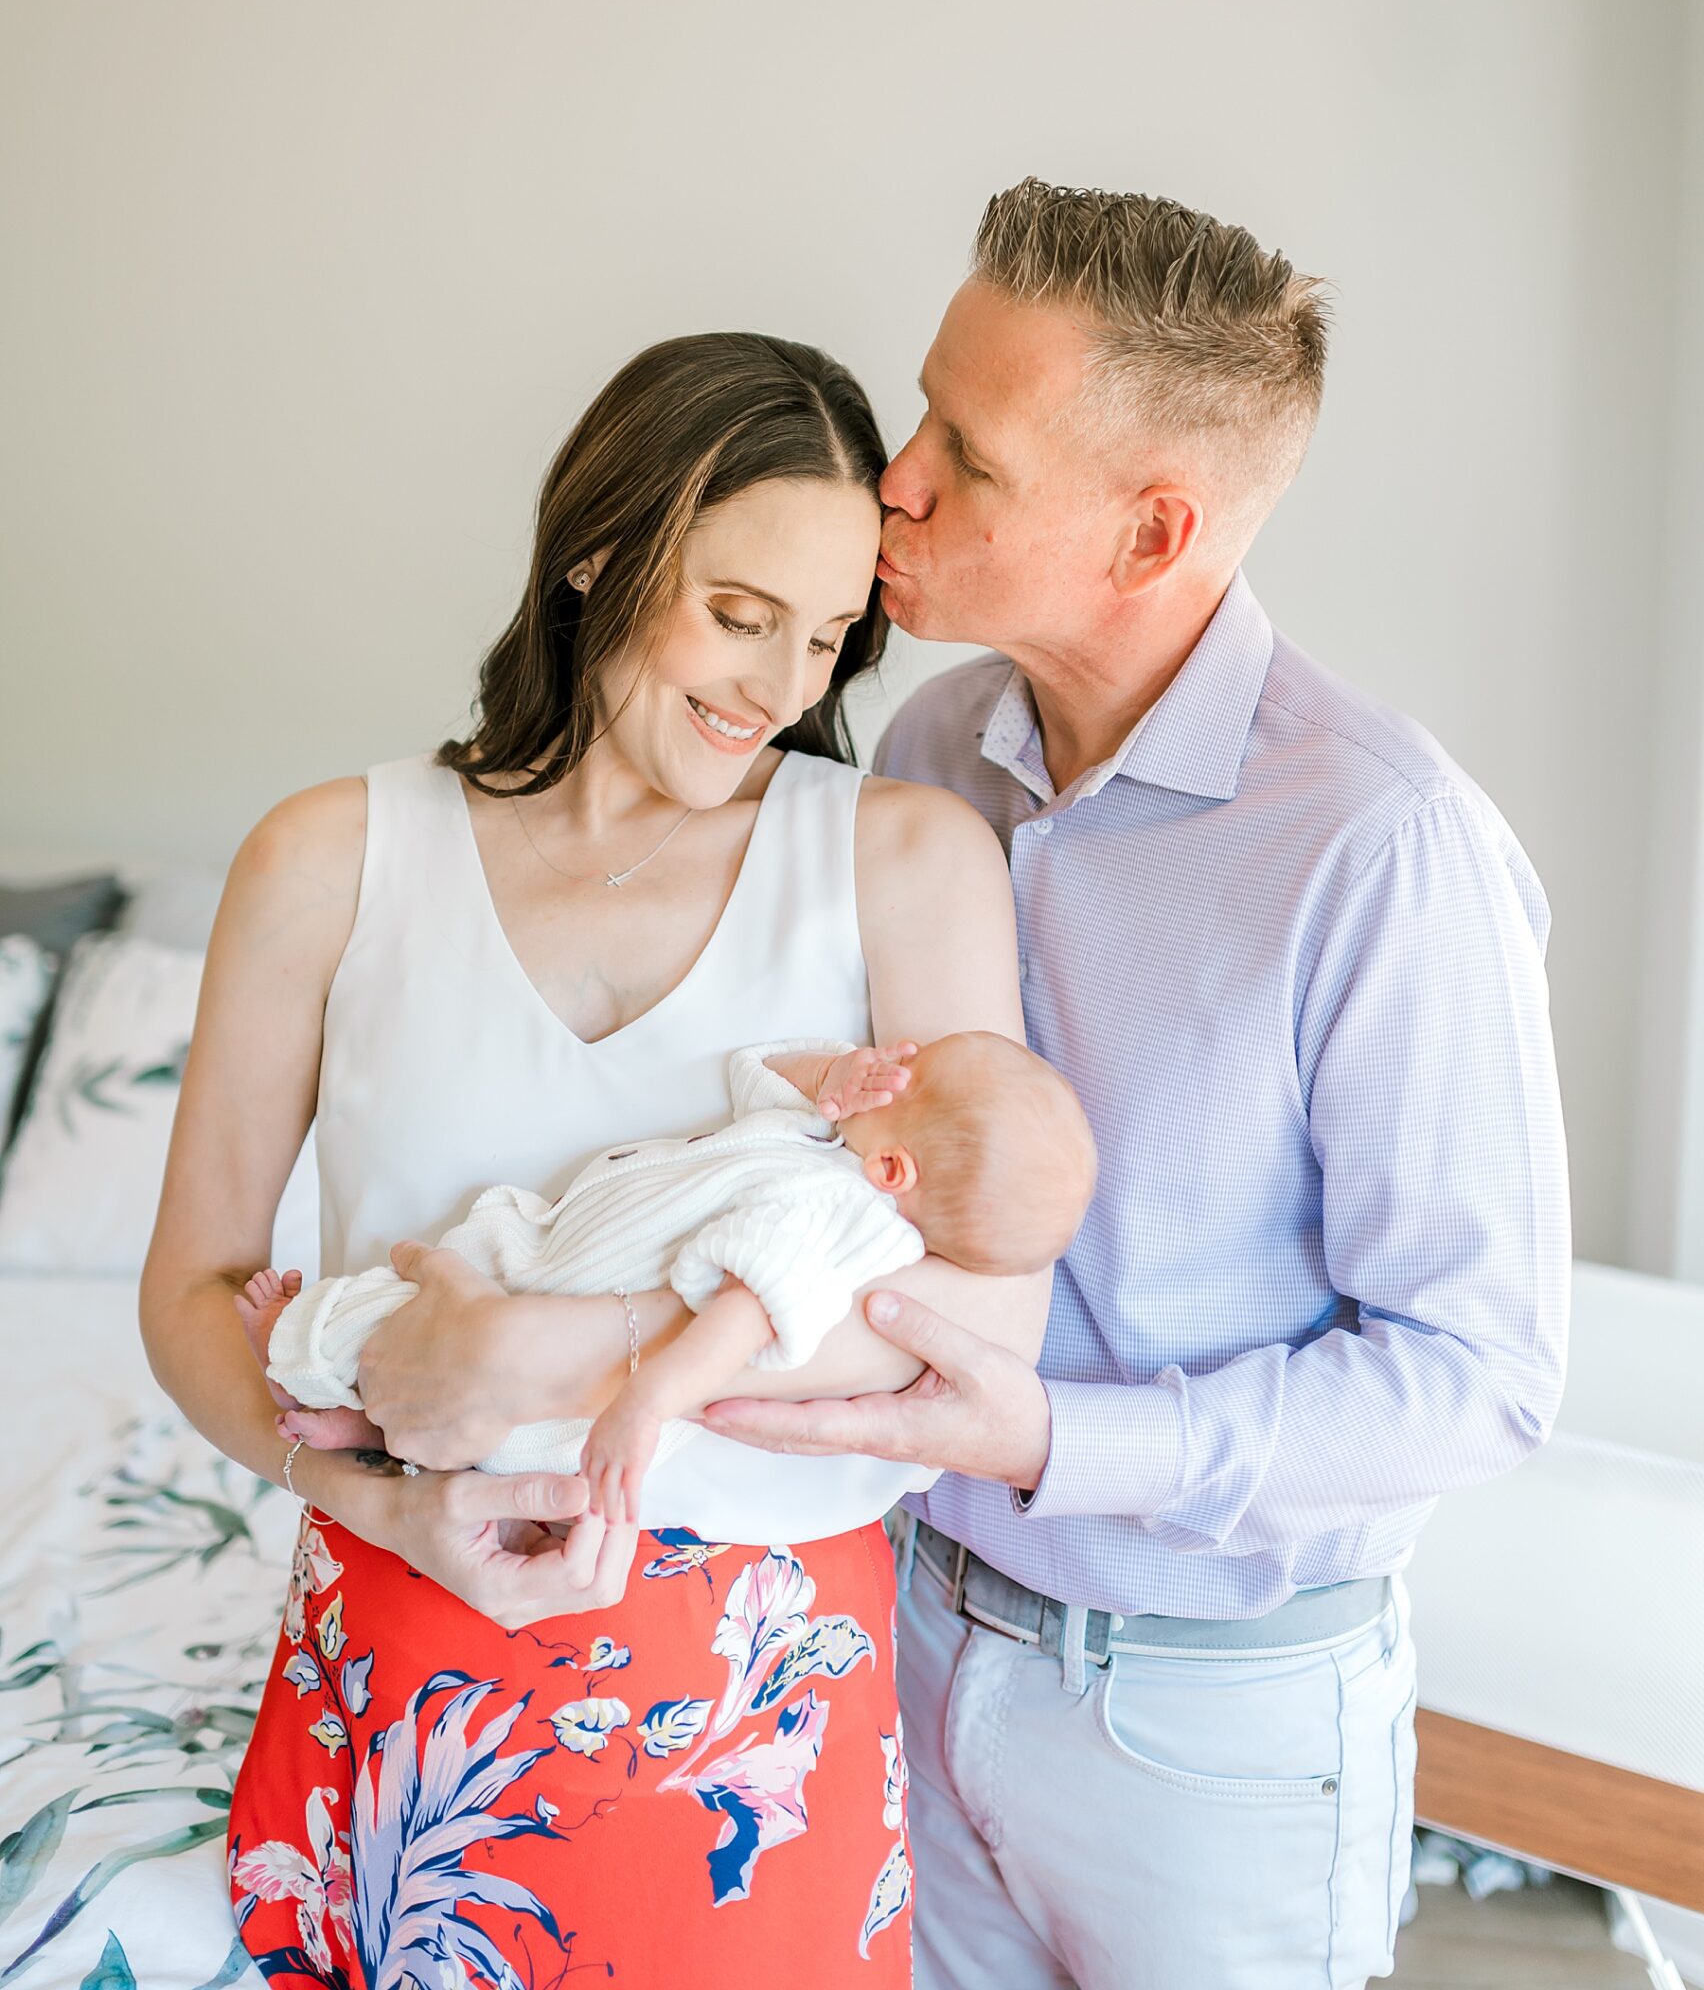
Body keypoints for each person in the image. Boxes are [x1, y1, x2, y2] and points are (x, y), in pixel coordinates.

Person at [704, 182, 1572, 1990]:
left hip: (1209, 1734)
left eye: (970, 453)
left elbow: (1476, 1380)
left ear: (1148, 530)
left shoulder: (1380, 851)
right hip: (912, 1638)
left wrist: (1055, 1446)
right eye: (917, 408)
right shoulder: (935, 746)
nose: (895, 478)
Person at [140, 330, 1052, 1987]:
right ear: (595, 550)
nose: (776, 689)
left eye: (827, 638)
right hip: (399, 1663)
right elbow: (193, 1288)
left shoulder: (901, 864)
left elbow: (978, 1338)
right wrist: (358, 1499)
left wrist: (578, 1351)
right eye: (735, 614)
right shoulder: (330, 858)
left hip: (746, 1733)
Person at [234, 1028, 1095, 1522]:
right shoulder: (822, 1149)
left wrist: (644, 1406)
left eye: (906, 1075)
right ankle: (362, 1426)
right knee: (437, 1334)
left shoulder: (839, 1217)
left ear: (897, 1172)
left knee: (400, 1324)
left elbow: (740, 1320)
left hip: (577, 1322)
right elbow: (758, 1074)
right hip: (557, 1261)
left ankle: (298, 1345)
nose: (884, 1064)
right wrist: (833, 1077)